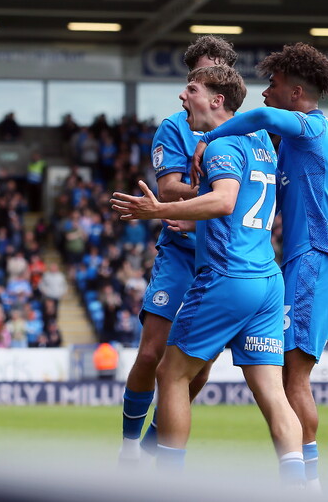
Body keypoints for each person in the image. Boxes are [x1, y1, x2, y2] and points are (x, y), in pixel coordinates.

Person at [111, 64, 304, 485]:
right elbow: (246, 208)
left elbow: (224, 201)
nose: (184, 97)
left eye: (192, 89)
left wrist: (159, 211)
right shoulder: (261, 142)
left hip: (226, 277)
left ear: (217, 100)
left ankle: (166, 482)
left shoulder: (220, 145)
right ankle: (301, 485)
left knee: (170, 373)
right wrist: (194, 222)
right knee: (273, 394)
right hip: (267, 281)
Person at [192, 42, 328, 490]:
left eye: (273, 85)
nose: (264, 93)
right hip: (319, 260)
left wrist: (208, 137)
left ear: (296, 92)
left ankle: (309, 487)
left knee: (291, 378)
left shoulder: (308, 127)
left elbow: (260, 118)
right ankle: (304, 482)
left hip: (313, 259)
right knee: (286, 376)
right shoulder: (323, 136)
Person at [117, 35, 239, 464]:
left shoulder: (250, 129)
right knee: (152, 351)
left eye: (208, 73)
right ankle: (130, 445)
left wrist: (218, 190)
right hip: (180, 251)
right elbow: (168, 188)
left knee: (199, 365)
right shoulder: (175, 125)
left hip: (223, 258)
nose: (196, 85)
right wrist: (213, 191)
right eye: (194, 76)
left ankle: (155, 439)